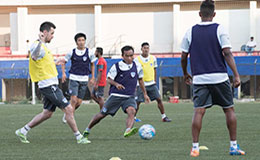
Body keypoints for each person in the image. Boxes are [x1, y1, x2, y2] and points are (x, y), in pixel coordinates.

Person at [181, 0, 245, 157]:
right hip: (219, 77)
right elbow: (227, 53)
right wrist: (236, 75)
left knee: (198, 111)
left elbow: (183, 56)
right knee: (229, 109)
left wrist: (185, 73)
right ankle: (233, 147)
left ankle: (195, 147)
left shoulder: (190, 31)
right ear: (214, 14)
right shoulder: (220, 29)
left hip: (200, 79)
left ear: (199, 14)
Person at [15, 22, 90, 144]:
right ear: (44, 33)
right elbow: (34, 56)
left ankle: (23, 131)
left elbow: (43, 62)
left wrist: (56, 61)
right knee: (69, 109)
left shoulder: (45, 47)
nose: (53, 36)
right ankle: (79, 137)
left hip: (51, 84)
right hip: (48, 85)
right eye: (52, 33)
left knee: (47, 113)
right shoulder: (37, 45)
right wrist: (40, 41)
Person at [82, 45, 150, 139]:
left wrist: (145, 94)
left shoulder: (137, 66)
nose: (130, 58)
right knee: (102, 114)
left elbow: (141, 81)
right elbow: (109, 79)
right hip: (116, 96)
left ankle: (128, 130)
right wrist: (116, 84)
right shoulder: (117, 66)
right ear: (123, 56)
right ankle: (87, 129)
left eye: (131, 55)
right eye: (127, 56)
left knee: (132, 111)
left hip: (129, 96)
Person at [60, 33, 96, 123]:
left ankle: (68, 112)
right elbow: (63, 62)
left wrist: (92, 77)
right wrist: (63, 73)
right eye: (79, 40)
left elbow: (92, 64)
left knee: (79, 102)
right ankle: (70, 116)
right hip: (74, 78)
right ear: (76, 42)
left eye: (83, 40)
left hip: (84, 79)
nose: (81, 42)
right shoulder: (71, 52)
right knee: (73, 99)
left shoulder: (90, 52)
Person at [134, 42, 171, 122]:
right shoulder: (137, 60)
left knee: (159, 99)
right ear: (141, 49)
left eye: (147, 48)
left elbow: (154, 70)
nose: (146, 49)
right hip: (141, 84)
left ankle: (164, 117)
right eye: (144, 48)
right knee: (138, 102)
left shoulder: (153, 58)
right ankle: (133, 118)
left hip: (151, 83)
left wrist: (154, 80)